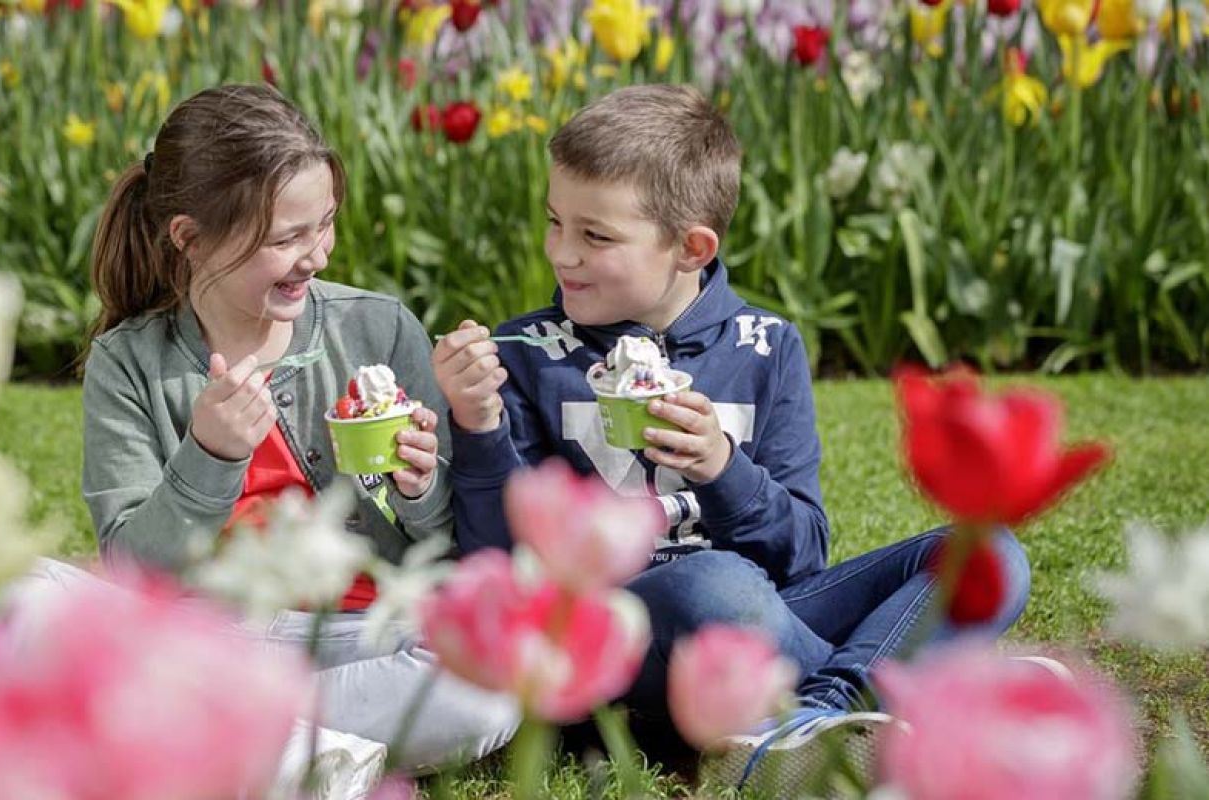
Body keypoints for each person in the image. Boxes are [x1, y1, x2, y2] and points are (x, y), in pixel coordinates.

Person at [433, 84, 1030, 787]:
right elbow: (497, 564)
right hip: (616, 641)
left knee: (989, 553)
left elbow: (802, 554)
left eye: (595, 236)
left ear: (691, 248)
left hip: (760, 620)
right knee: (711, 582)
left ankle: (818, 714)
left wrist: (723, 467)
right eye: (554, 221)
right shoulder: (527, 352)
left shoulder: (766, 346)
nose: (561, 252)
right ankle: (907, 685)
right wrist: (477, 427)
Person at [79, 83, 518, 773]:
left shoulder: (376, 327)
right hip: (214, 634)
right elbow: (135, 570)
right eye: (286, 238)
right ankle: (301, 742)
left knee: (489, 684)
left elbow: (449, 547)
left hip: (367, 630)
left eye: (324, 224)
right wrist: (208, 456)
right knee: (37, 596)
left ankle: (239, 731)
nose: (315, 255)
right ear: (189, 239)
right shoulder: (130, 361)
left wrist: (421, 486)